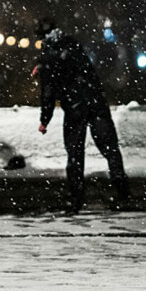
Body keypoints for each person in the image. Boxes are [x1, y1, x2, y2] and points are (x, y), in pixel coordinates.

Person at [34, 18, 129, 214]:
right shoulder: (73, 44)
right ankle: (121, 186)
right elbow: (88, 71)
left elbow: (48, 92)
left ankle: (76, 201)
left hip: (74, 107)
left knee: (75, 154)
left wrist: (45, 120)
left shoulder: (47, 57)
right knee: (110, 147)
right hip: (96, 101)